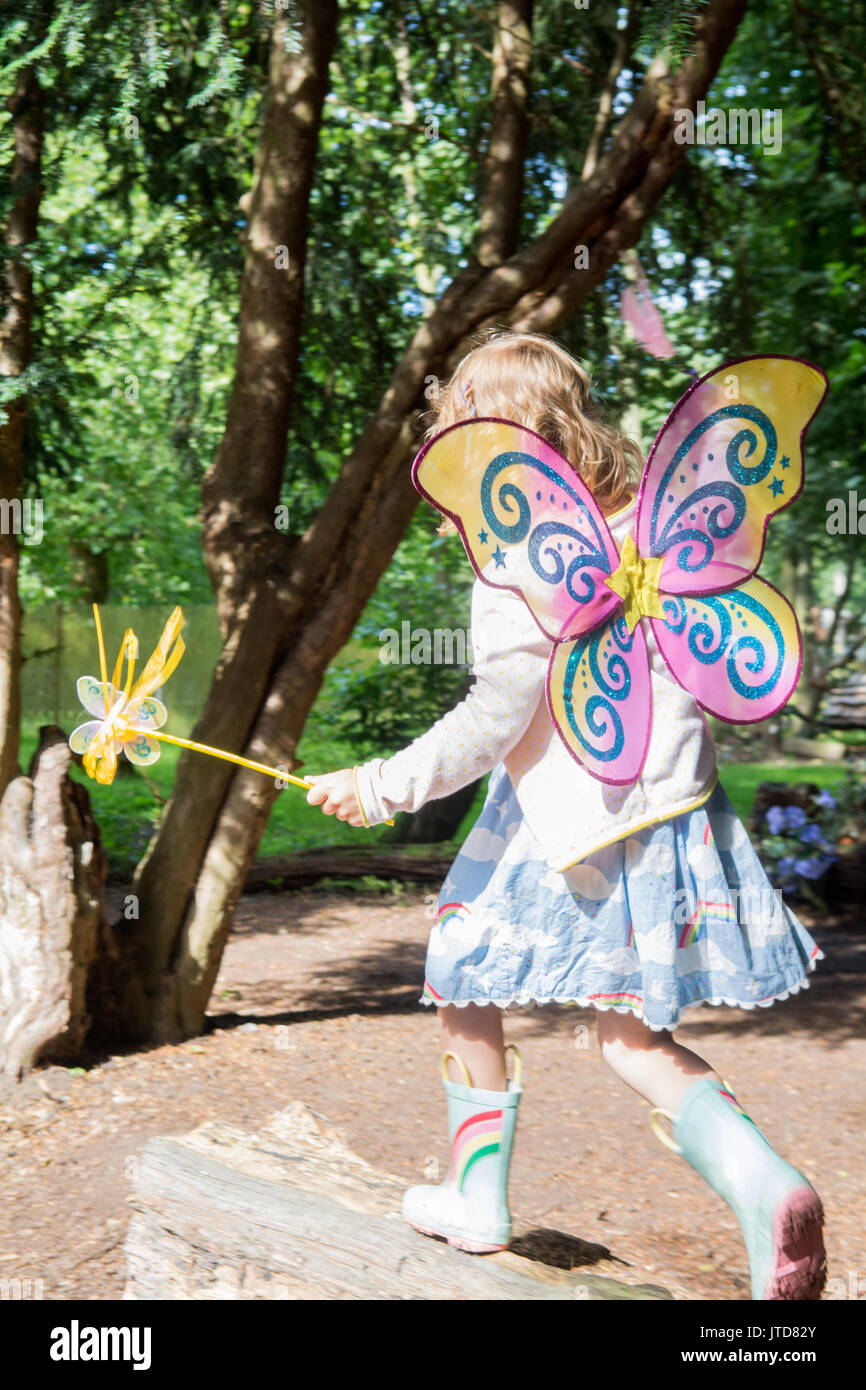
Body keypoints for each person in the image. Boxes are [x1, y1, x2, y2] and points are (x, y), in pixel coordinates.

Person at [305, 330, 827, 1300]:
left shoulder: (518, 549)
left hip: (567, 815)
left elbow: (499, 709)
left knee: (461, 952)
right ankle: (767, 1184)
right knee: (627, 1037)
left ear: (486, 432)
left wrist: (383, 783)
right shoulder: (647, 526)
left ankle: (476, 1193)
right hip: (668, 805)